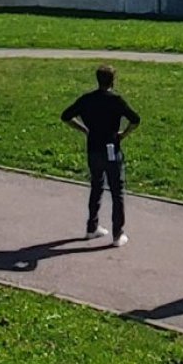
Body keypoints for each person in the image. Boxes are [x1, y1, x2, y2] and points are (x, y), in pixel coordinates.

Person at [60, 65, 140, 247]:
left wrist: (84, 129)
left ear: (98, 80)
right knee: (116, 191)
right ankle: (117, 233)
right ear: (113, 80)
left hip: (93, 148)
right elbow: (135, 119)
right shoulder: (116, 100)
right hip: (112, 148)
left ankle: (92, 227)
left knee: (96, 186)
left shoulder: (87, 99)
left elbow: (65, 116)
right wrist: (124, 134)